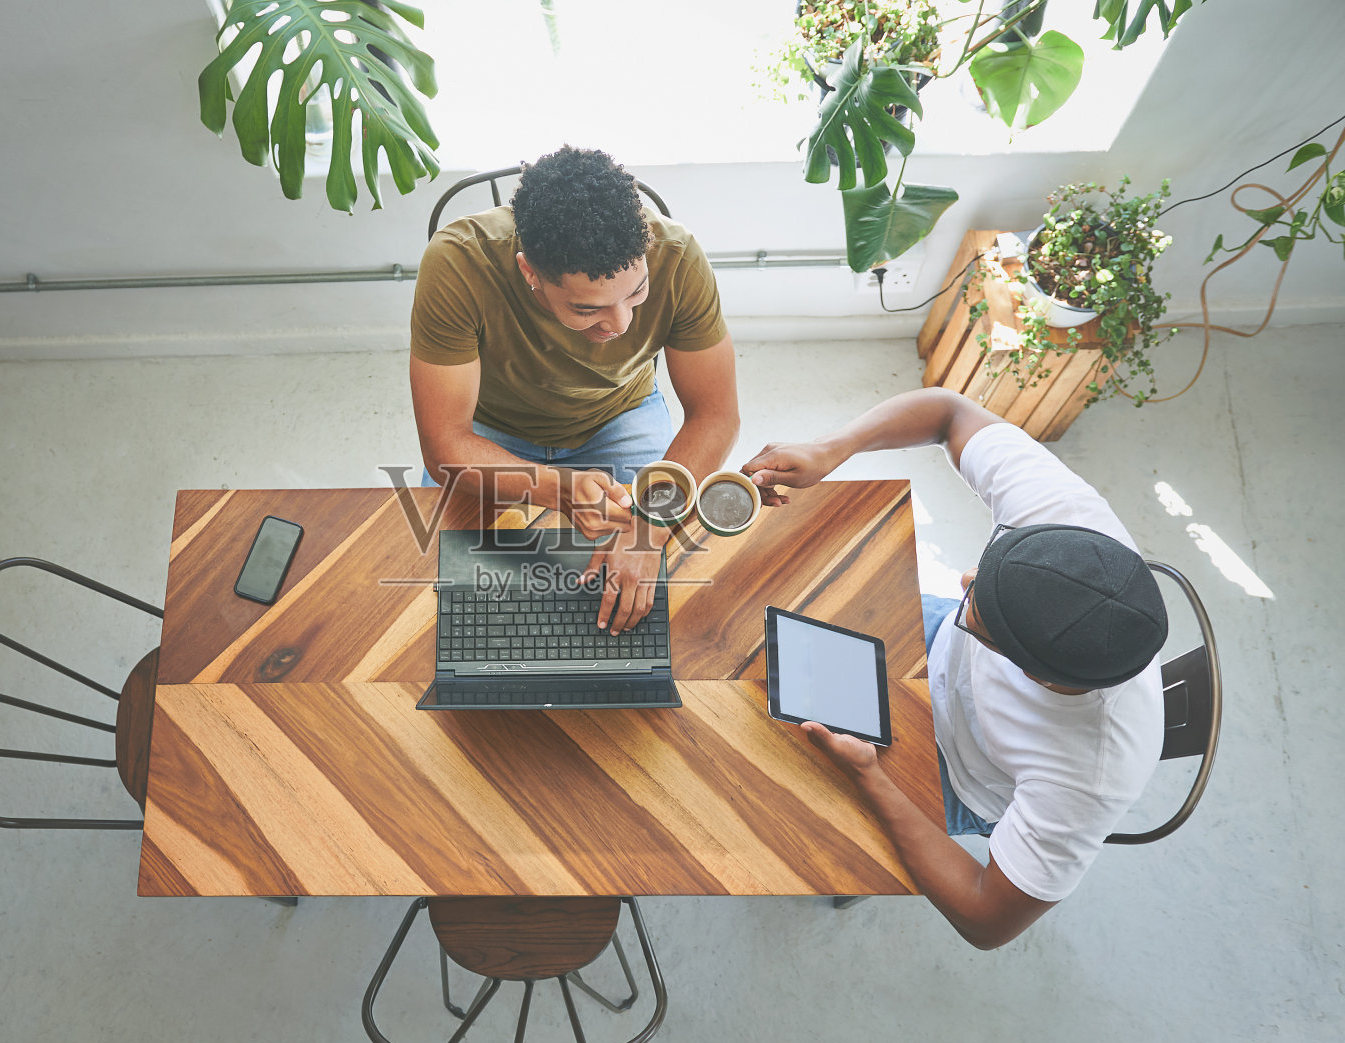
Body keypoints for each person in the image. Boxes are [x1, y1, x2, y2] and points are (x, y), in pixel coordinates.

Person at [741, 388, 1169, 949]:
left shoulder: (1088, 774)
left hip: (958, 772)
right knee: (753, 609)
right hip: (938, 643)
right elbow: (949, 411)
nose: (965, 580)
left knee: (756, 806)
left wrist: (873, 779)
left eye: (980, 609)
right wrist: (832, 448)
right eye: (989, 568)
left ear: (1033, 674)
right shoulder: (1069, 527)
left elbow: (986, 920)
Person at [409, 146, 740, 635]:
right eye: (588, 310)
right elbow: (443, 444)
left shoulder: (677, 255)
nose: (621, 323)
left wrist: (648, 531)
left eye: (636, 293)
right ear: (529, 273)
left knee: (658, 598)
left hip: (621, 415)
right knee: (448, 600)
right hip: (492, 430)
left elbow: (715, 416)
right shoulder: (457, 263)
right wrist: (554, 489)